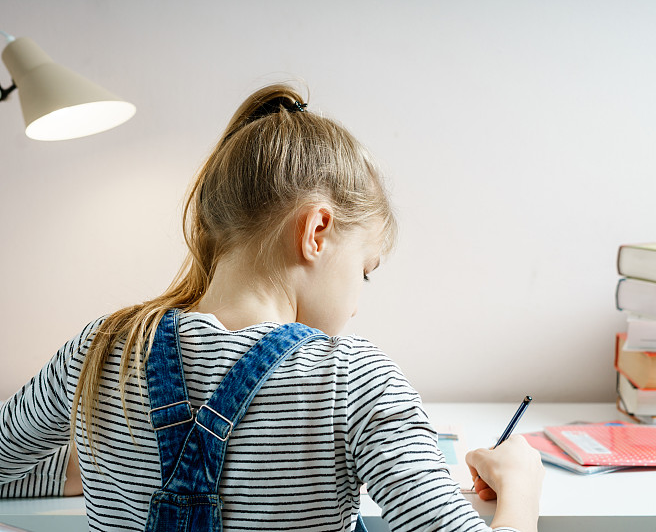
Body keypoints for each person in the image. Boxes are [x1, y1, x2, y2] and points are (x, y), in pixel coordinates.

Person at [0, 84, 544, 531]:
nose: (356, 305)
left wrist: (100, 464)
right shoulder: (353, 381)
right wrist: (521, 485)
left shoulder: (100, 350)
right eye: (365, 272)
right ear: (317, 230)